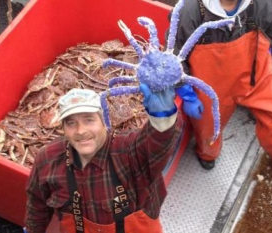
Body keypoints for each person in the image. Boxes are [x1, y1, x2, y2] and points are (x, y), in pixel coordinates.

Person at [169, 0, 272, 196]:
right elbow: (174, 57)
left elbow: (270, 31)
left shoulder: (261, 3)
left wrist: (264, 56)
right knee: (208, 128)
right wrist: (187, 94)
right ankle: (207, 154)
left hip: (256, 73)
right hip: (212, 83)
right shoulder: (189, 11)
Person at [24, 85, 185, 233]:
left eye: (89, 120)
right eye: (71, 123)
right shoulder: (47, 159)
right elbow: (37, 208)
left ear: (104, 122)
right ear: (63, 129)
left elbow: (159, 141)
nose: (81, 131)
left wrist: (163, 116)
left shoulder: (129, 151)